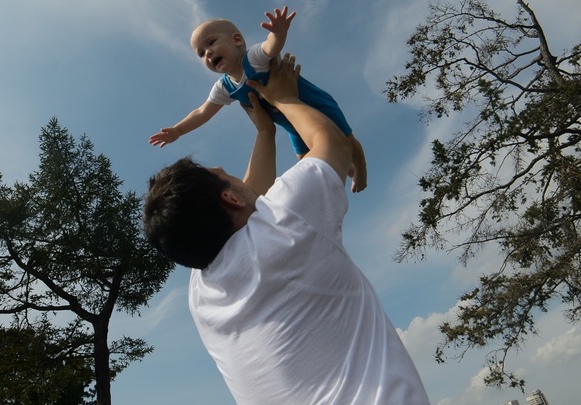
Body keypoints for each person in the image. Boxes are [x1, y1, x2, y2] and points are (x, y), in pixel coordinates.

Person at [143, 54, 430, 404]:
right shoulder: (286, 223)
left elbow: (253, 195)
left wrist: (266, 131)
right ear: (229, 198)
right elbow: (333, 144)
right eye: (220, 173)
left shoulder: (202, 293)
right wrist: (283, 97)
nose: (222, 166)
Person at [148, 6, 368, 193]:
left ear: (236, 40)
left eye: (211, 43)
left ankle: (360, 170)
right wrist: (178, 130)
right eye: (201, 53)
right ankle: (344, 170)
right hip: (291, 124)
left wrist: (279, 33)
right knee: (305, 158)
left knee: (346, 139)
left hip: (315, 105)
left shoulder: (252, 59)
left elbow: (270, 46)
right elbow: (202, 112)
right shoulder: (224, 87)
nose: (207, 53)